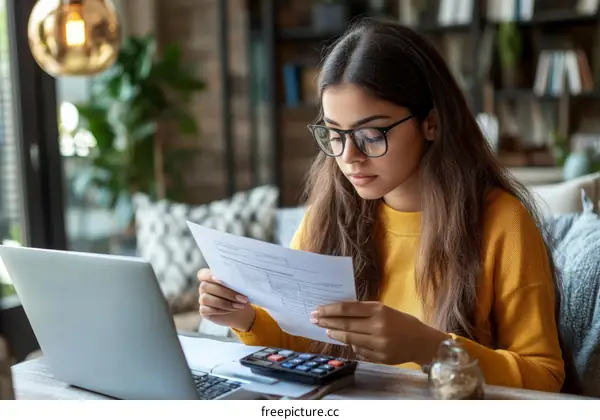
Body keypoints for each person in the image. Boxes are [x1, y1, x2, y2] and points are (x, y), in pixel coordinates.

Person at [197, 18, 565, 393]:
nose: (349, 156)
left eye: (371, 135)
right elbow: (306, 344)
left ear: (431, 124)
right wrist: (244, 317)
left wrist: (430, 348)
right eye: (334, 134)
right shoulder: (327, 216)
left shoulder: (502, 223)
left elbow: (545, 378)